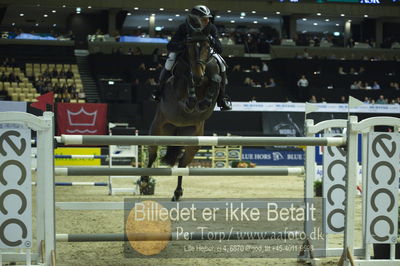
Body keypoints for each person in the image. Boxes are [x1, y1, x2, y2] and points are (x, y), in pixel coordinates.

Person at [151, 5, 231, 110]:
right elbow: (170, 46)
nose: (207, 21)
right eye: (204, 19)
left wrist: (212, 39)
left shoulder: (211, 27)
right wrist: (183, 44)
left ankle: (222, 97)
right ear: (195, 18)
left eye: (208, 18)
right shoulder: (184, 27)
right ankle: (158, 90)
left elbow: (220, 49)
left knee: (222, 65)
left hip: (205, 52)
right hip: (185, 51)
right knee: (169, 62)